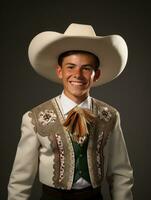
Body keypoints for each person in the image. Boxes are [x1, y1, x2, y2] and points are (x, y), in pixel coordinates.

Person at [7, 23, 133, 200]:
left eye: (86, 68)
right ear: (59, 71)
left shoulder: (110, 116)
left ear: (96, 75)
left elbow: (120, 173)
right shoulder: (34, 118)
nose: (78, 74)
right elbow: (20, 180)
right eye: (71, 66)